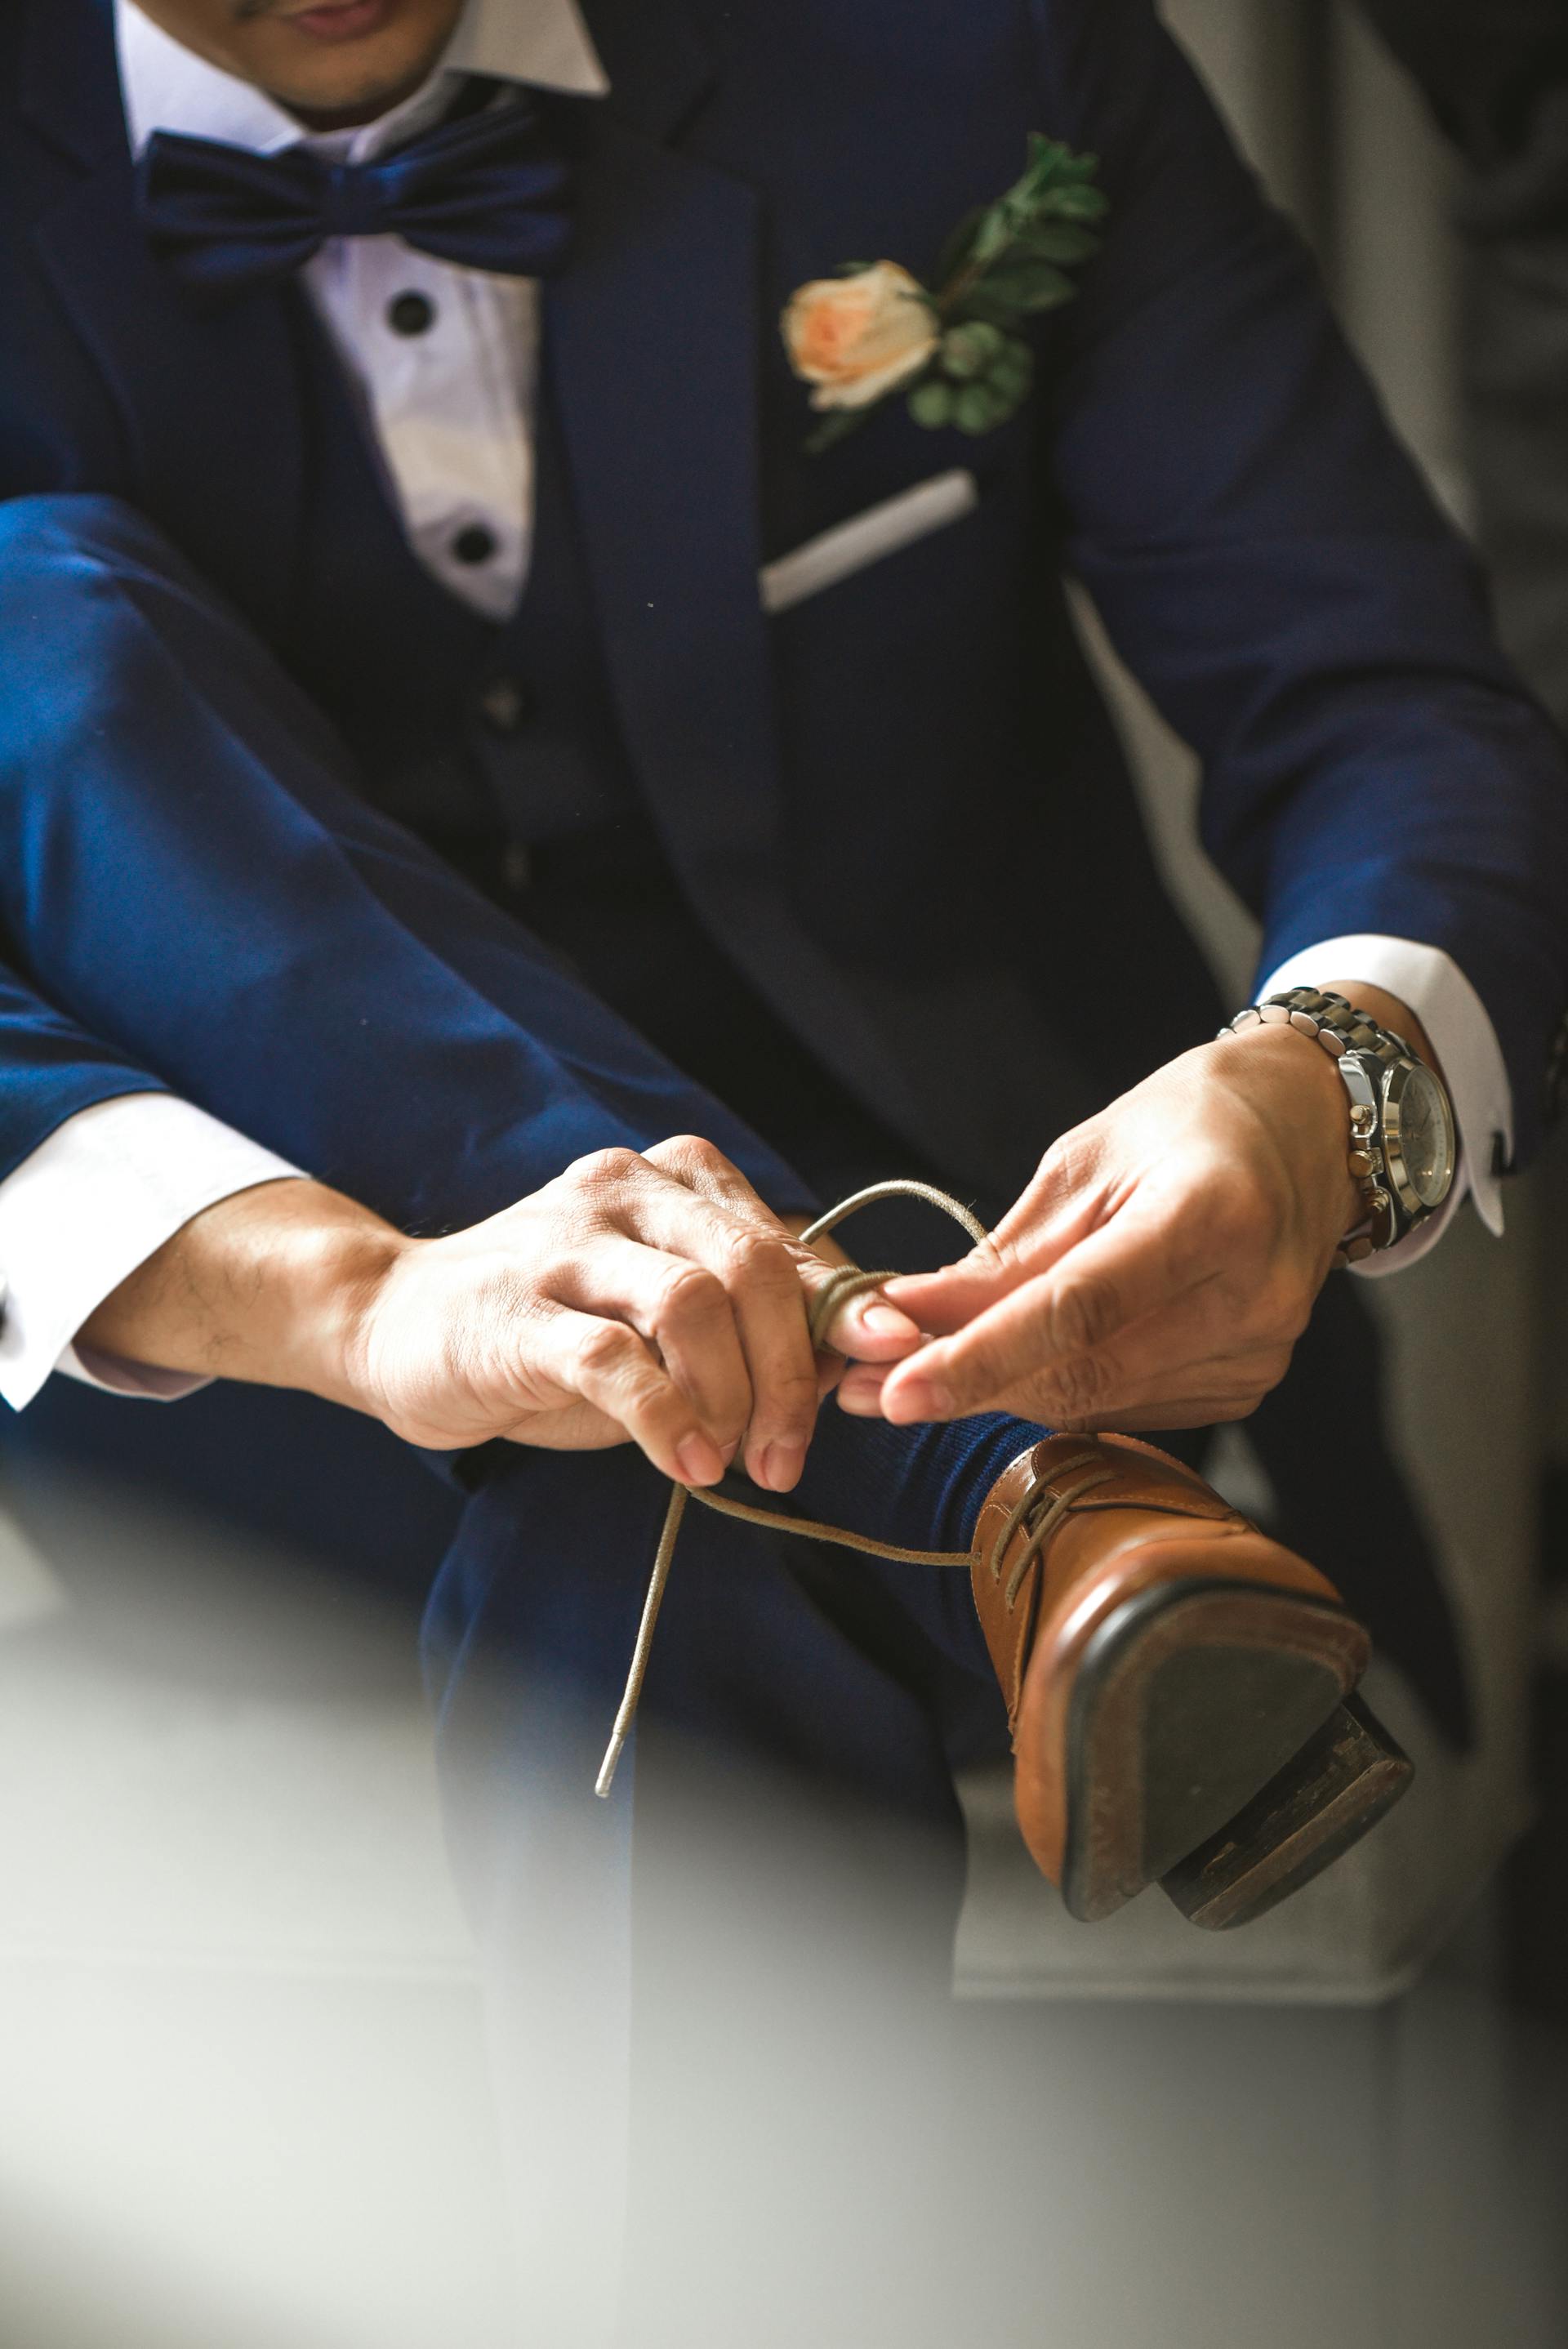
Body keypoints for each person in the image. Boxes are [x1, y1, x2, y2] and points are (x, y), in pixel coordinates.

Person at [2, 0, 1566, 2331]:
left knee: (642, 1462)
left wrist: (1324, 1080)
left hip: (1000, 1280)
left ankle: (926, 1448)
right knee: (19, 622)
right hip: (258, 1354)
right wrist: (363, 1301)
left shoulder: (969, 55)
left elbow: (1385, 696)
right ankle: (1016, 1502)